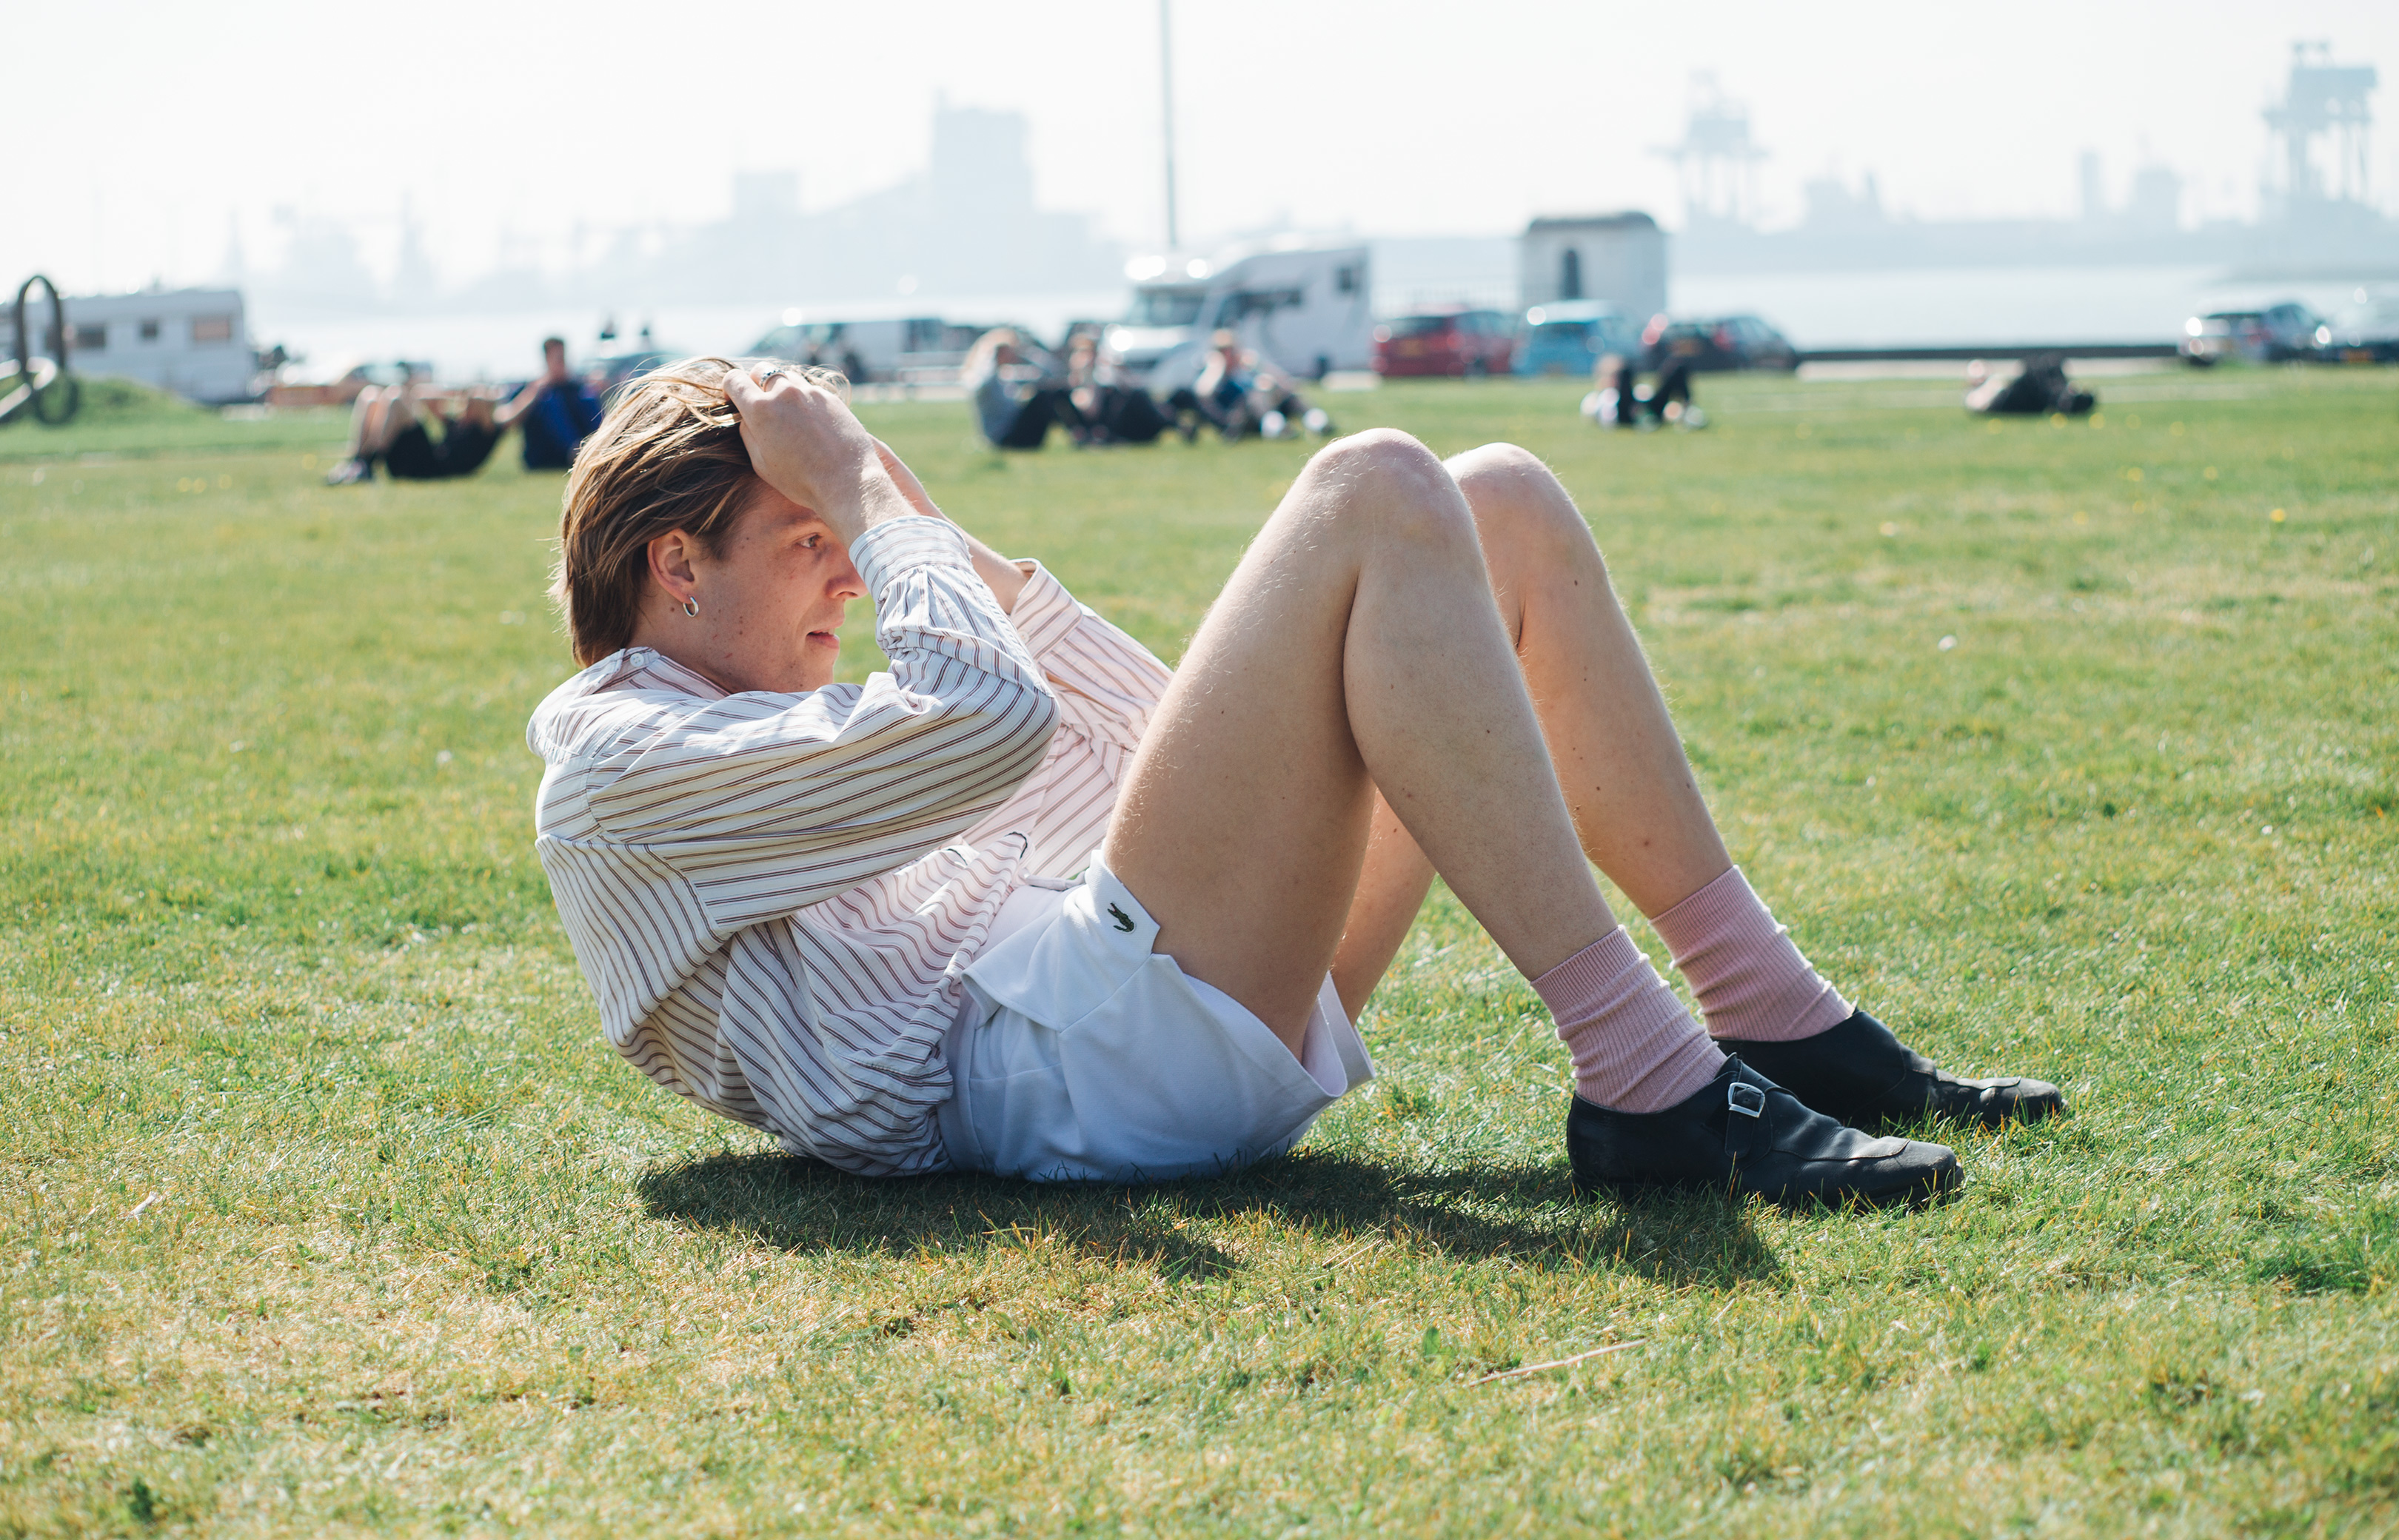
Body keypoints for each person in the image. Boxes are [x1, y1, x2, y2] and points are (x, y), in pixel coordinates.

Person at [527, 358, 2064, 1204]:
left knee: (1493, 506)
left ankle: (1780, 1022)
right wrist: (863, 486)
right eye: (809, 551)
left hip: (1115, 1011)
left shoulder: (754, 737)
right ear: (677, 566)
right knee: (1372, 484)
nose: (853, 583)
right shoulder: (619, 771)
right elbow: (990, 723)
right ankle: (1648, 1085)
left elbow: (1118, 737)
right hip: (1059, 1072)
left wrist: (894, 504)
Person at [324, 372, 503, 485]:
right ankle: (358, 462)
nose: (466, 404)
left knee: (396, 397)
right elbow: (421, 395)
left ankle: (367, 463)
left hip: (430, 469)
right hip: (416, 462)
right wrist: (453, 393)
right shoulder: (456, 423)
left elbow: (509, 409)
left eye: (472, 402)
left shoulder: (487, 430)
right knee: (370, 396)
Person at [1165, 331, 1333, 443]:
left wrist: (1259, 366)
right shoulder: (1211, 372)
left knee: (1285, 394)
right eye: (1224, 351)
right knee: (1256, 396)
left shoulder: (1246, 368)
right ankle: (1275, 428)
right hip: (1238, 418)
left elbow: (1287, 383)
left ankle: (1316, 421)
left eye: (1232, 350)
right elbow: (1202, 394)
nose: (1229, 356)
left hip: (1266, 406)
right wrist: (1216, 368)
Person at [963, 327, 1088, 450]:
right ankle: (1081, 434)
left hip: (1018, 432)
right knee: (1044, 396)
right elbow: (977, 385)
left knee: (1054, 392)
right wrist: (989, 357)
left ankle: (1084, 432)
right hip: (1004, 438)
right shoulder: (982, 377)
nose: (1013, 355)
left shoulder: (1005, 375)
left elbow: (1048, 373)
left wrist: (1026, 351)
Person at [502, 337, 605, 470]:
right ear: (546, 359)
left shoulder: (575, 388)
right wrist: (534, 394)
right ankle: (575, 452)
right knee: (549, 400)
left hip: (563, 456)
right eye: (557, 358)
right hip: (542, 456)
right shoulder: (533, 388)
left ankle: (602, 445)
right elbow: (508, 419)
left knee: (588, 396)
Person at [1066, 335, 1170, 446]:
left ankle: (1169, 421)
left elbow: (1132, 386)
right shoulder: (1074, 382)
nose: (1086, 358)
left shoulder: (1104, 374)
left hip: (1127, 423)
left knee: (1134, 395)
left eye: (1089, 353)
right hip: (1099, 426)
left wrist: (1116, 370)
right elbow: (1090, 410)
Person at [1966, 355, 2095, 417]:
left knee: (2046, 366)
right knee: (2034, 370)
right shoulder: (1972, 396)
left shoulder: (1994, 380)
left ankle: (2066, 396)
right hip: (2006, 402)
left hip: (2014, 398)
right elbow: (1983, 406)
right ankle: (2066, 398)